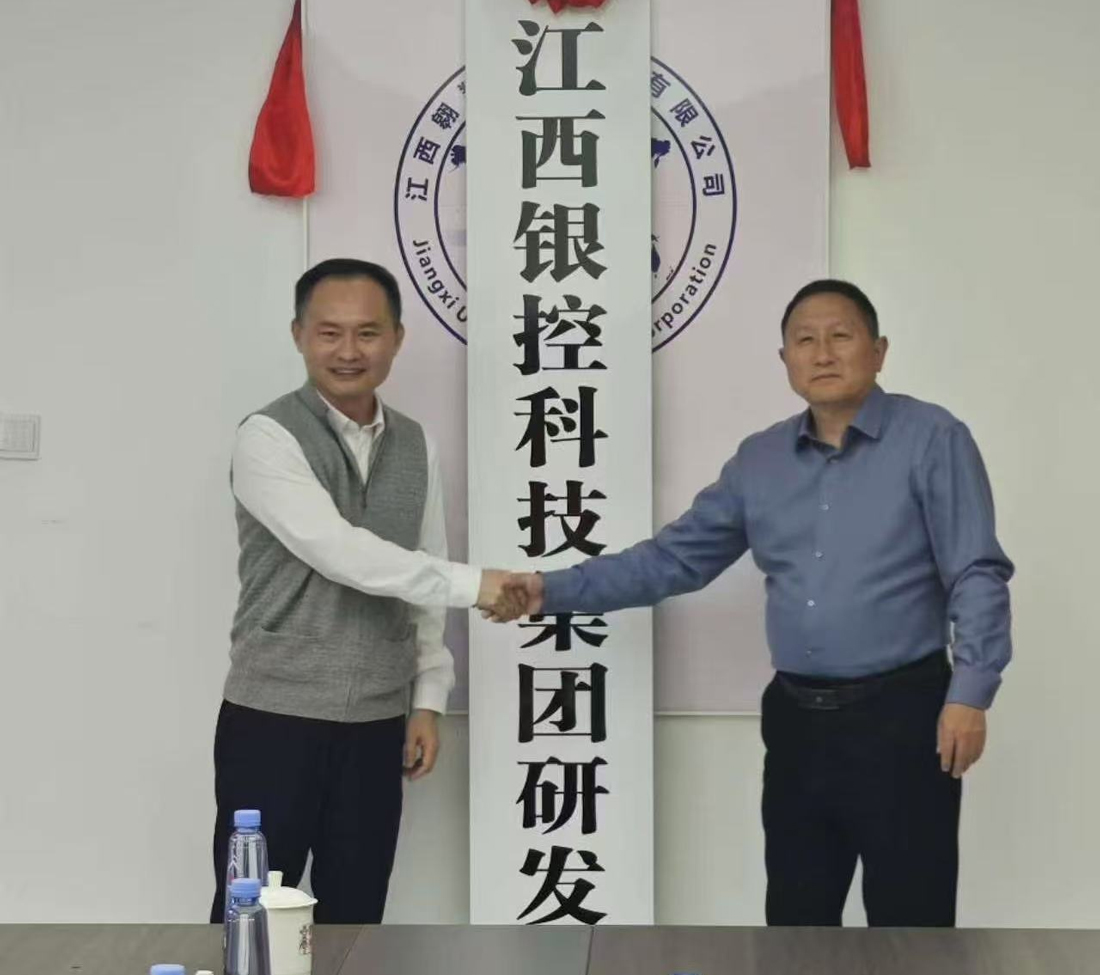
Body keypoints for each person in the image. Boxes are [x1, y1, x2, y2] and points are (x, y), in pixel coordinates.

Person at [484, 280, 1013, 928]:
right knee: (794, 923)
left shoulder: (932, 438)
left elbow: (976, 571)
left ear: (878, 351)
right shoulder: (760, 461)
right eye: (805, 340)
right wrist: (550, 589)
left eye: (841, 336)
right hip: (797, 724)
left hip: (903, 717)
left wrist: (970, 694)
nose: (823, 353)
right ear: (785, 359)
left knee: (912, 927)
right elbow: (673, 560)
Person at [211, 257, 511, 924]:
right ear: (299, 335)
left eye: (368, 333)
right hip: (274, 716)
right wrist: (478, 585)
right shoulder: (267, 437)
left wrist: (427, 699)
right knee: (251, 916)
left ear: (397, 338)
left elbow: (424, 569)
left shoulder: (415, 443)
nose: (349, 351)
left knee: (356, 917)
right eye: (330, 332)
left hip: (376, 722)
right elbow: (341, 553)